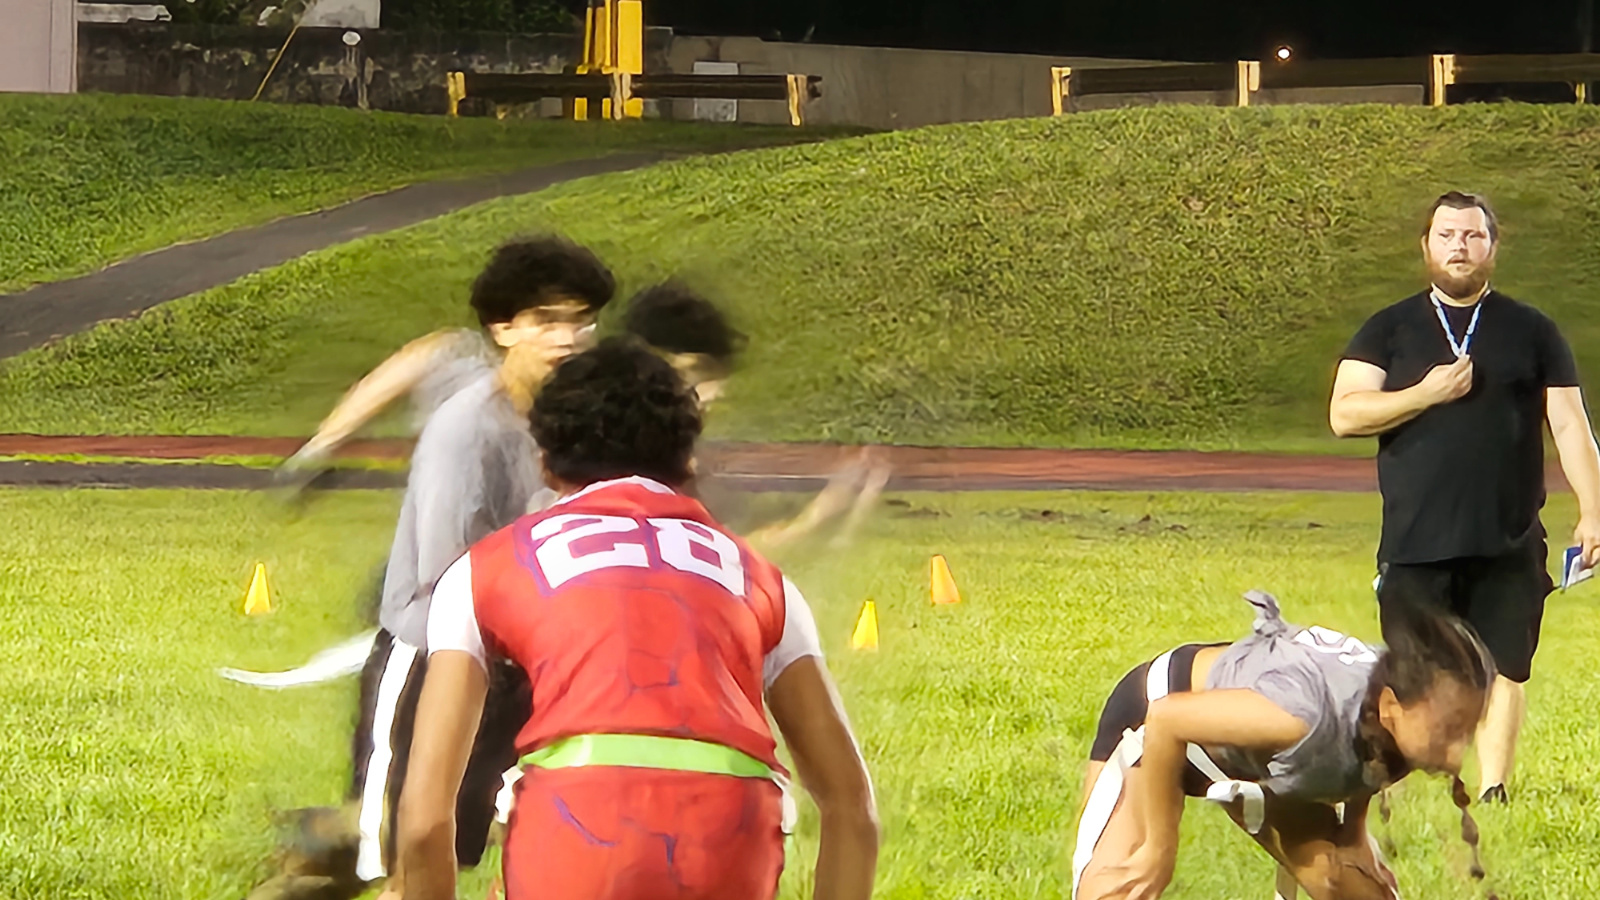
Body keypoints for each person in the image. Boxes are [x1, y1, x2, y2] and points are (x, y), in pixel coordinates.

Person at [396, 337, 880, 900]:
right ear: (688, 463)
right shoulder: (761, 578)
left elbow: (425, 821)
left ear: (544, 463)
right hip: (733, 838)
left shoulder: (482, 569)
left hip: (576, 834)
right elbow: (853, 808)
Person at [243, 235, 616, 900]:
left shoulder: (570, 418)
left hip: (510, 663)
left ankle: (330, 841)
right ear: (503, 328)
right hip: (430, 657)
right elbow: (450, 579)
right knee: (410, 856)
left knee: (452, 846)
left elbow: (425, 355)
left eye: (579, 321)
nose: (566, 339)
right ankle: (325, 853)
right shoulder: (465, 433)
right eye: (545, 321)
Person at [1328, 191, 1600, 803]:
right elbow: (1344, 414)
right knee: (1416, 675)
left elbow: (1570, 426)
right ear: (1426, 246)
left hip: (1508, 538)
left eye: (1473, 236)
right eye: (1447, 235)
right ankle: (1395, 782)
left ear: (1492, 248)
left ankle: (1494, 789)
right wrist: (1423, 394)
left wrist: (1594, 511)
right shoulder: (1390, 328)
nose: (1460, 246)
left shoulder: (1532, 330)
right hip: (1416, 539)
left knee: (1507, 665)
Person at [1072, 590, 1495, 900]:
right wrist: (1158, 849)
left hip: (1261, 761)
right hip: (1162, 717)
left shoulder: (1399, 710)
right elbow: (1168, 719)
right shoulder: (1300, 716)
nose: (1456, 752)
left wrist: (1353, 833)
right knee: (1118, 889)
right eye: (1447, 731)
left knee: (1347, 883)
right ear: (1390, 707)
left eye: (1465, 731)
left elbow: (1369, 749)